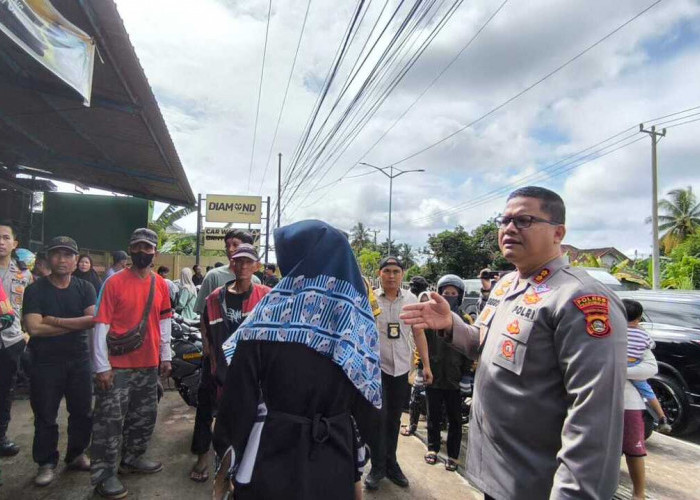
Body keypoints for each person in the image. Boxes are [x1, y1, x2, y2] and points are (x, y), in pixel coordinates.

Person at [400, 186, 627, 500]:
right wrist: (451, 323)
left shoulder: (580, 298)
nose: (508, 228)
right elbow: (484, 344)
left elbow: (595, 418)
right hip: (497, 474)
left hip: (539, 485)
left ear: (558, 232)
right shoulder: (507, 284)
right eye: (504, 220)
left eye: (524, 220)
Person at [211, 219, 381, 500]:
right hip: (335, 457)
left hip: (273, 456)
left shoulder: (267, 317)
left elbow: (238, 401)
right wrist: (356, 466)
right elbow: (368, 405)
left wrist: (226, 458)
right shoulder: (357, 322)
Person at [90, 228, 173, 499]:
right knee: (109, 422)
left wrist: (166, 355)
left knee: (143, 416)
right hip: (117, 366)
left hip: (148, 363)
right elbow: (101, 325)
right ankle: (104, 475)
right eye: (136, 247)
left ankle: (132, 458)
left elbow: (164, 321)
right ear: (129, 249)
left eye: (147, 248)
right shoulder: (113, 283)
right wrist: (101, 366)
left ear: (155, 252)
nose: (142, 252)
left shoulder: (160, 284)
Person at [189, 244, 271, 483]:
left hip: (253, 374)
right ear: (231, 263)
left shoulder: (265, 295)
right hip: (220, 371)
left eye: (248, 261)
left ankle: (246, 472)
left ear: (256, 265)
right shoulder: (216, 297)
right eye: (238, 261)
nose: (243, 265)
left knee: (250, 423)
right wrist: (208, 350)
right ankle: (214, 467)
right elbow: (205, 323)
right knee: (215, 419)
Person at [22, 236, 96, 486]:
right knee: (45, 414)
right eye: (57, 254)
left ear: (76, 260)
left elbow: (92, 320)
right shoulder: (35, 289)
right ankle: (46, 462)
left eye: (68, 255)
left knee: (82, 411)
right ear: (48, 259)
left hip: (79, 360)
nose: (62, 260)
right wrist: (74, 325)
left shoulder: (84, 288)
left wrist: (54, 320)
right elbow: (34, 327)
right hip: (45, 362)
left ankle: (76, 454)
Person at [364, 256, 432, 491]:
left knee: (394, 419)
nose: (391, 276)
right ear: (379, 273)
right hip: (376, 369)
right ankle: (377, 467)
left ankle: (392, 465)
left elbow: (420, 333)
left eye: (396, 271)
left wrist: (427, 365)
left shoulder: (412, 300)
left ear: (402, 274)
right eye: (387, 271)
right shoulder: (370, 298)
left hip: (401, 369)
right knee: (377, 419)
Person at [423, 274, 471, 472]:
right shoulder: (430, 316)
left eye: (453, 293)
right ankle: (432, 448)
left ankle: (453, 455)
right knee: (433, 415)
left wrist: (467, 375)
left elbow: (470, 347)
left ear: (459, 296)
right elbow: (422, 344)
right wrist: (421, 368)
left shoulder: (465, 319)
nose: (449, 296)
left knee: (455, 419)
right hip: (434, 375)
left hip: (455, 378)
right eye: (445, 293)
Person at [0, 220, 33, 457]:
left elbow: (29, 307)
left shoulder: (23, 274)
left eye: (5, 237)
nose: (0, 242)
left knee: (5, 390)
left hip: (10, 342)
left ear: (14, 243)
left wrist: (27, 333)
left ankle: (1, 437)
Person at [621, 302, 659, 500]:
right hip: (597, 401)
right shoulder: (603, 333)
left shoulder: (635, 335)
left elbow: (651, 368)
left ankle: (639, 494)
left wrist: (617, 372)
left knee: (634, 450)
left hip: (629, 403)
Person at [623, 299, 672, 434]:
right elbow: (651, 345)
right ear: (639, 319)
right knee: (648, 392)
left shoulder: (614, 331)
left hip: (619, 363)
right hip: (634, 363)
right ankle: (662, 417)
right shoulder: (643, 334)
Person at [194, 230, 260, 316]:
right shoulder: (213, 276)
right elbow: (203, 312)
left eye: (235, 245)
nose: (230, 249)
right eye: (227, 246)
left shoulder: (256, 281)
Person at [401, 291, 431, 437]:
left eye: (427, 301)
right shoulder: (414, 318)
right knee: (416, 397)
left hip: (436, 365)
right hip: (418, 363)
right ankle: (413, 425)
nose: (424, 304)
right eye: (422, 301)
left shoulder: (436, 319)